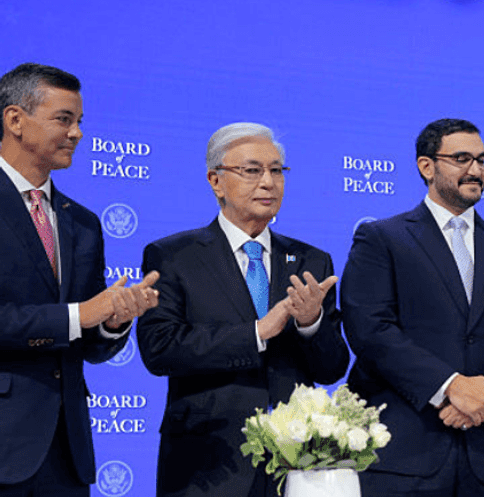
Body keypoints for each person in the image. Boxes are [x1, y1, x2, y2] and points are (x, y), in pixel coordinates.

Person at [340, 118, 484, 496]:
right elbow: (370, 329)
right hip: (407, 456)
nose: (475, 170)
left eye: (481, 159)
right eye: (461, 158)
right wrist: (449, 386)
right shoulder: (382, 238)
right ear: (427, 166)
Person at [136, 122, 349, 497]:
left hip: (297, 464)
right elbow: (160, 349)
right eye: (252, 170)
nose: (268, 182)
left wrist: (311, 323)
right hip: (207, 465)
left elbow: (331, 368)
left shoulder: (311, 260)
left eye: (276, 170)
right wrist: (257, 333)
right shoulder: (173, 255)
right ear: (215, 181)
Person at [0, 63, 159, 497]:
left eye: (80, 122)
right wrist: (81, 313)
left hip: (66, 455)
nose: (77, 134)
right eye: (63, 120)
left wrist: (113, 320)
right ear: (15, 120)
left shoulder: (82, 223)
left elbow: (89, 344)